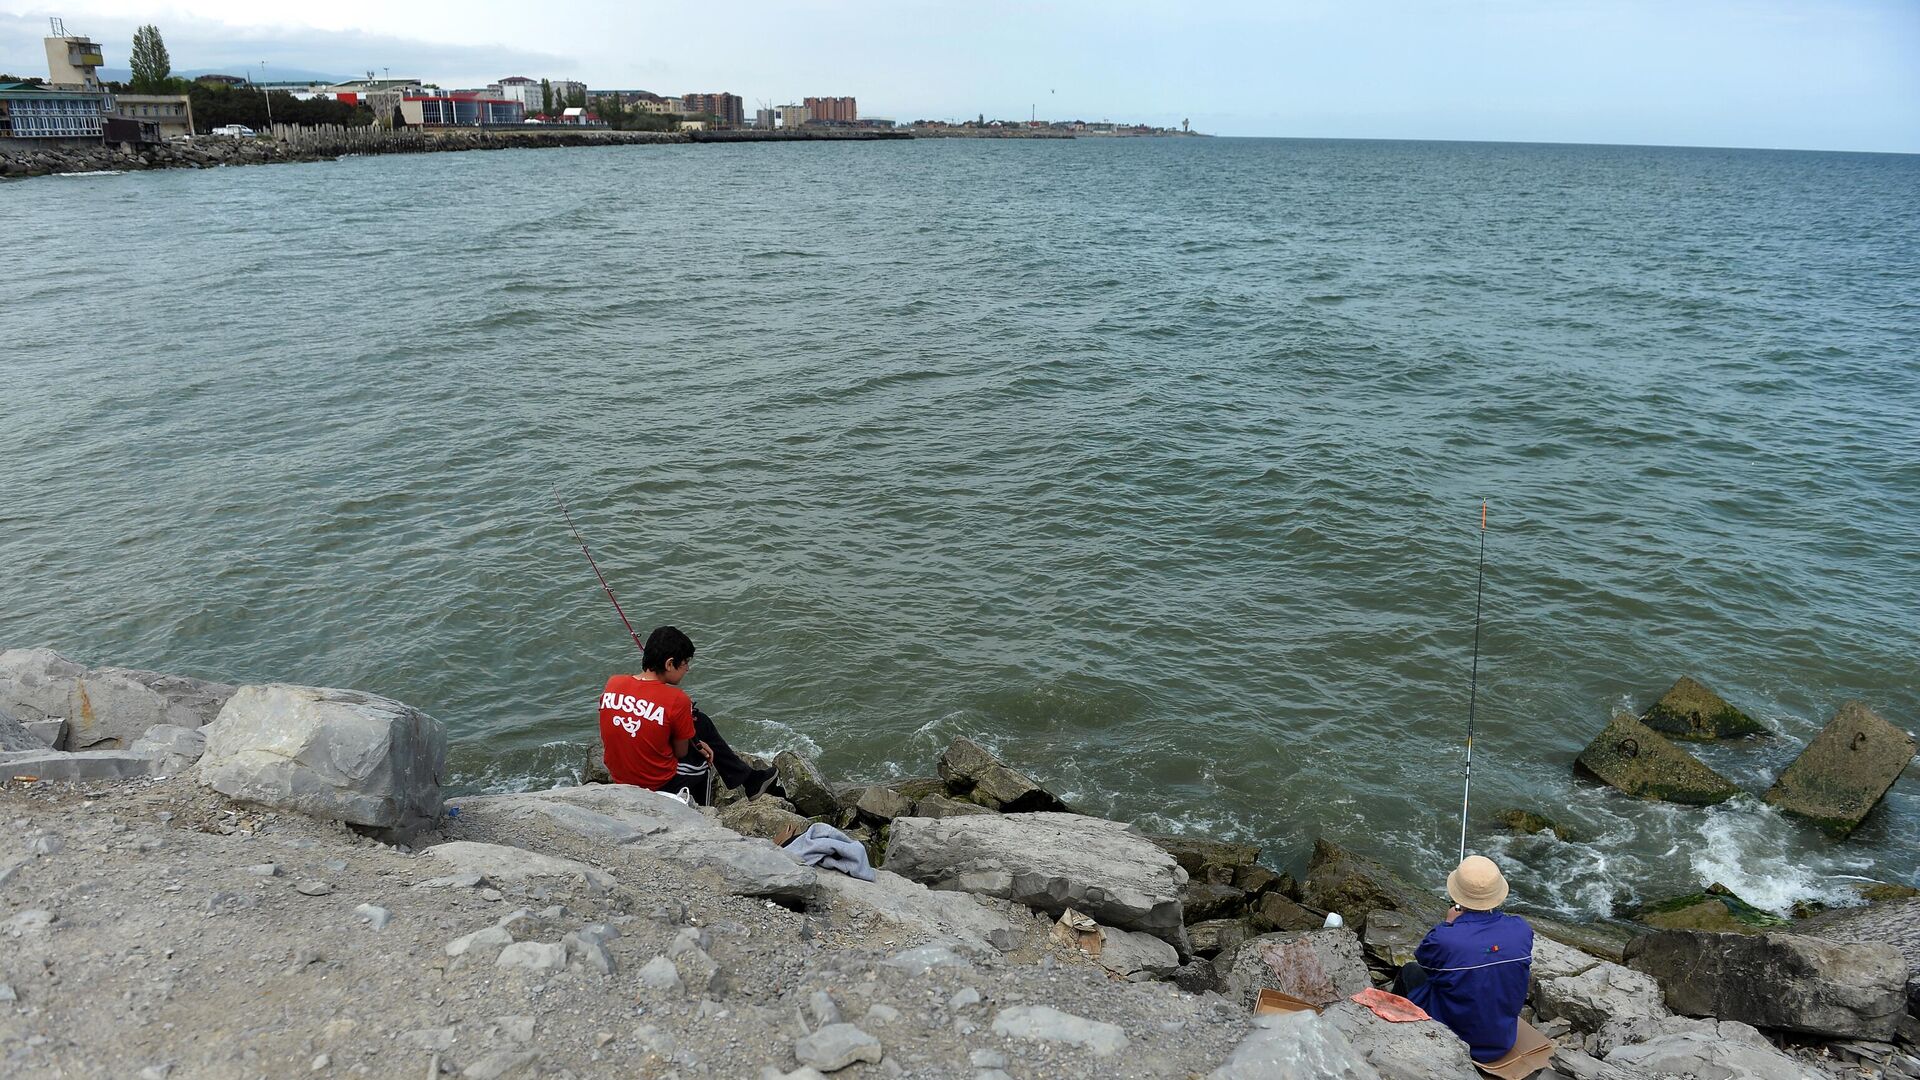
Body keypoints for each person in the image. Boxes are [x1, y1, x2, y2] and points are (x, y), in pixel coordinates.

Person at [597, 625, 781, 805]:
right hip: (655, 783)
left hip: (620, 776)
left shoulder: (614, 683)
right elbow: (681, 752)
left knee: (698, 720)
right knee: (705, 758)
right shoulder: (677, 699)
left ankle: (751, 781)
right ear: (669, 664)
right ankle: (702, 814)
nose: (687, 669)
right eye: (685, 663)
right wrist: (697, 743)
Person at [1393, 855, 1534, 1064]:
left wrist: (1449, 923)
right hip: (1501, 1042)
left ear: (1457, 894)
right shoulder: (1521, 929)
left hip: (1455, 1040)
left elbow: (1424, 959)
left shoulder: (1445, 939)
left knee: (1410, 971)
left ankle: (1389, 1030)